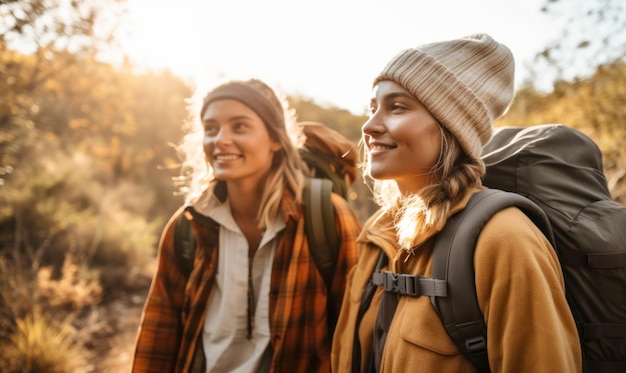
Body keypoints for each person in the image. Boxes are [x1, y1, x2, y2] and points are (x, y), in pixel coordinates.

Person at [331, 33, 582, 372]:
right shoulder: (378, 233)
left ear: (451, 126)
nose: (369, 126)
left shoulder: (504, 238)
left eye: (397, 107)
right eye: (372, 108)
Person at [132, 78, 360, 372]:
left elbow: (355, 331)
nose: (220, 139)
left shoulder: (328, 216)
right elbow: (159, 333)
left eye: (239, 126)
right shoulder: (187, 225)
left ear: (276, 140)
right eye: (211, 129)